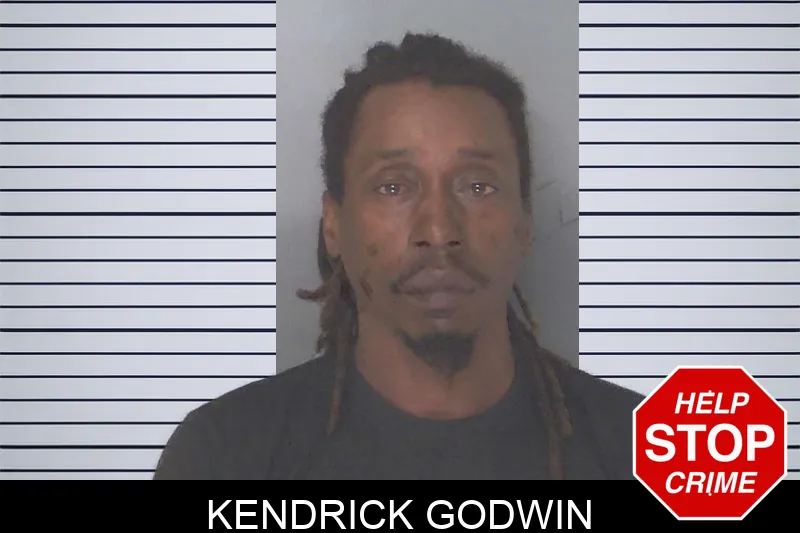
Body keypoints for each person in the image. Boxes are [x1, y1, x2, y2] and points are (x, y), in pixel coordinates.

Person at [154, 32, 644, 481]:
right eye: (393, 187)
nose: (439, 231)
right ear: (333, 225)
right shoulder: (223, 455)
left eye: (478, 186)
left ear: (524, 223)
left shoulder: (647, 450)